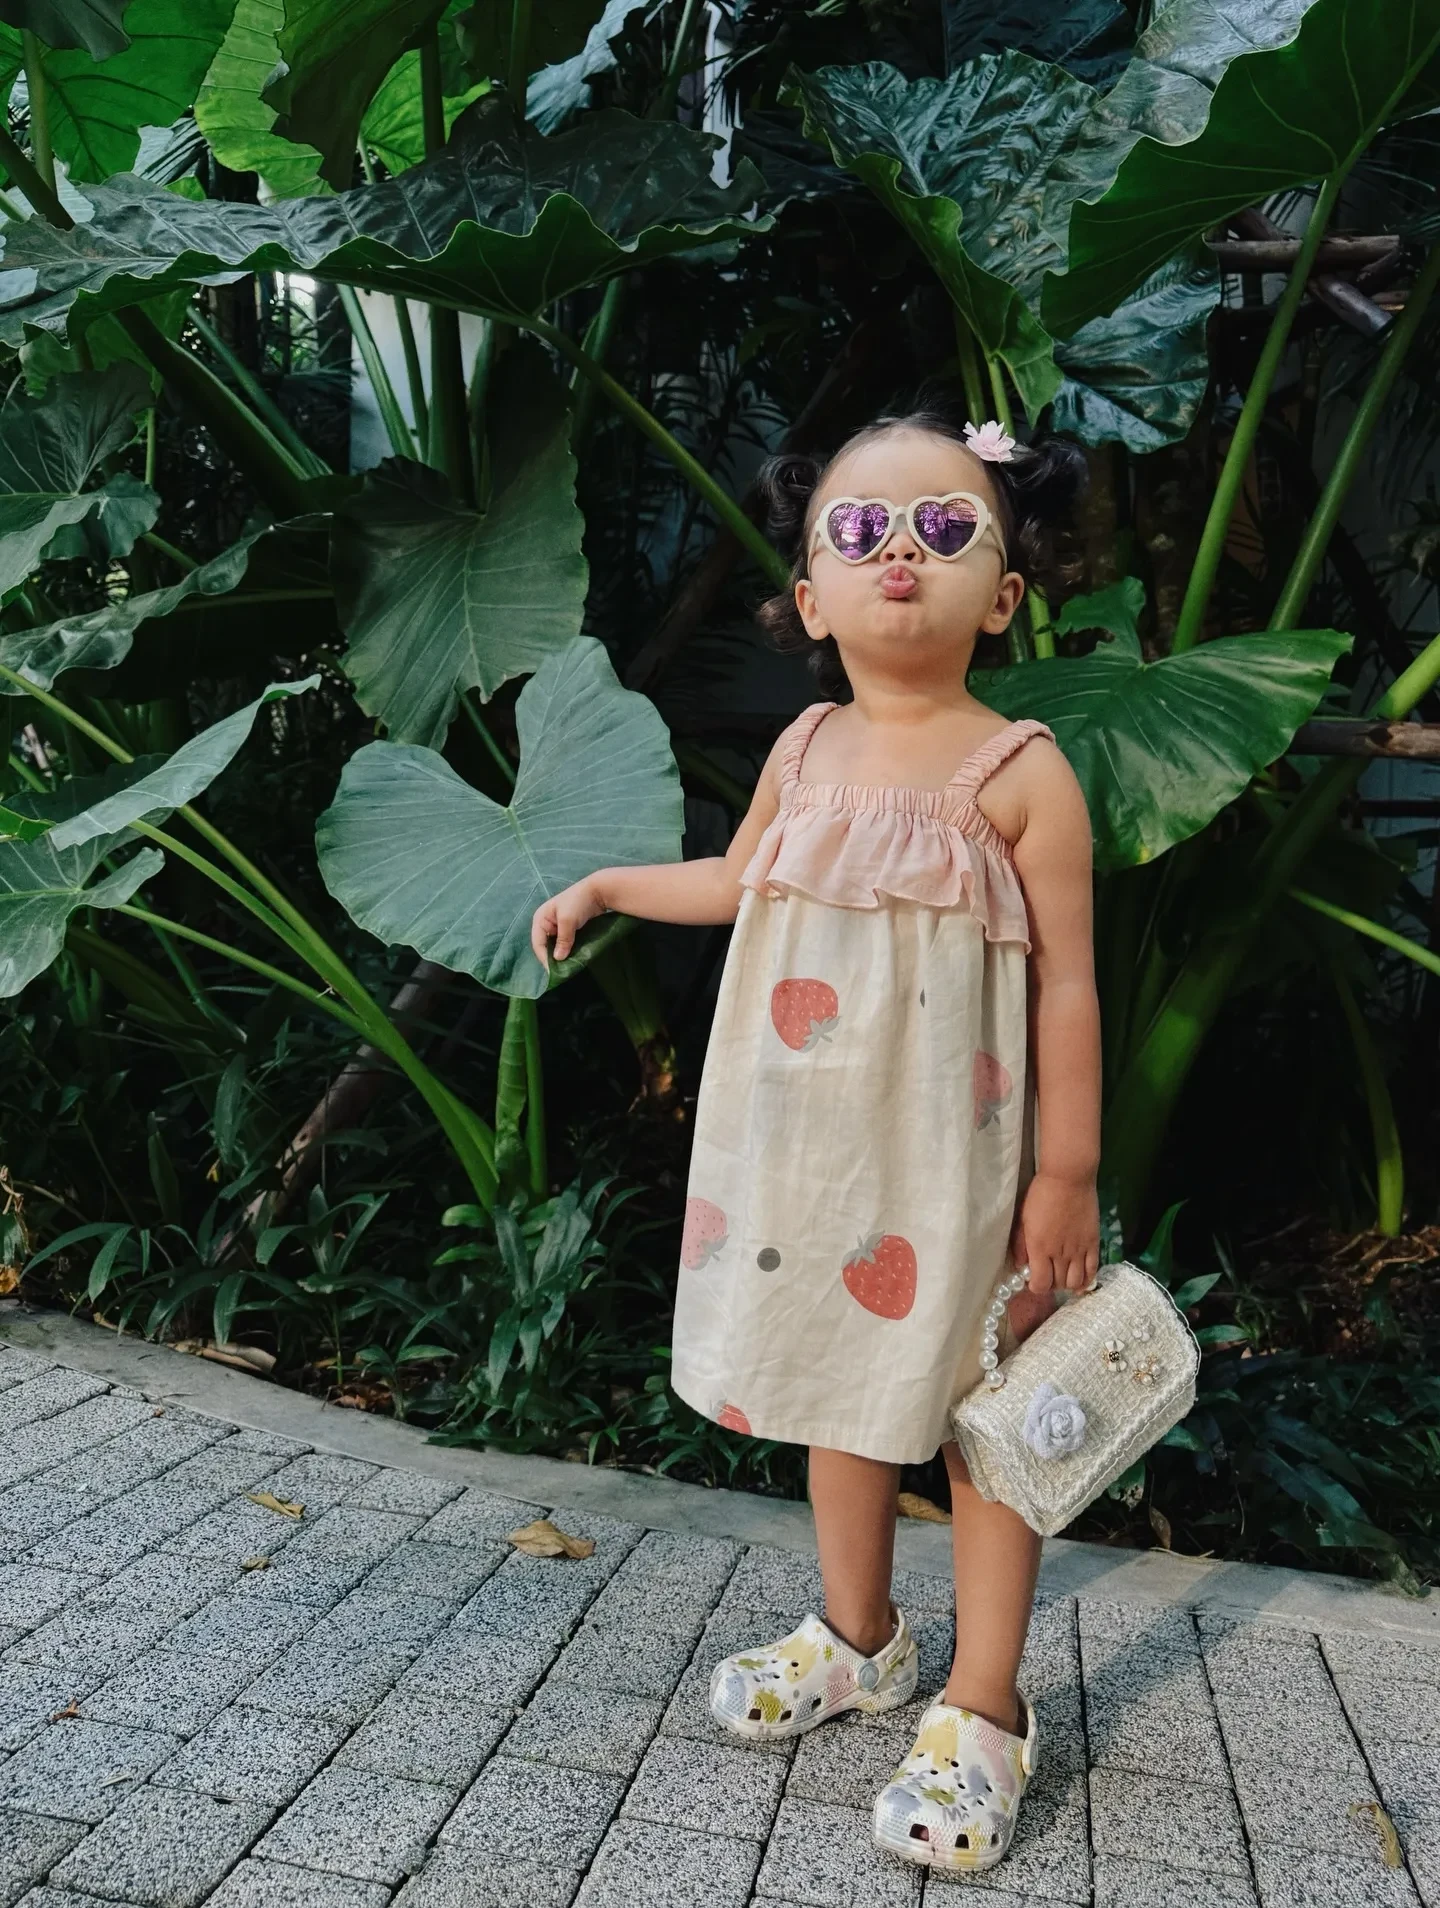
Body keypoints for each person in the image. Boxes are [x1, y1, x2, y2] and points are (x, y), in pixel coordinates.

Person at [530, 404, 1102, 1875]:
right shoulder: (803, 746)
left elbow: (1068, 985)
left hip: (961, 1166)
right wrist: (608, 883)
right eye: (861, 530)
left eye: (945, 528)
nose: (900, 552)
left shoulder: (1022, 773)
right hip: (810, 1155)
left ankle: (986, 1705)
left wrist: (1065, 1175)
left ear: (1006, 594)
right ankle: (860, 1636)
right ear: (810, 594)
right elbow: (737, 883)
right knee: (836, 1387)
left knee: (981, 1419)